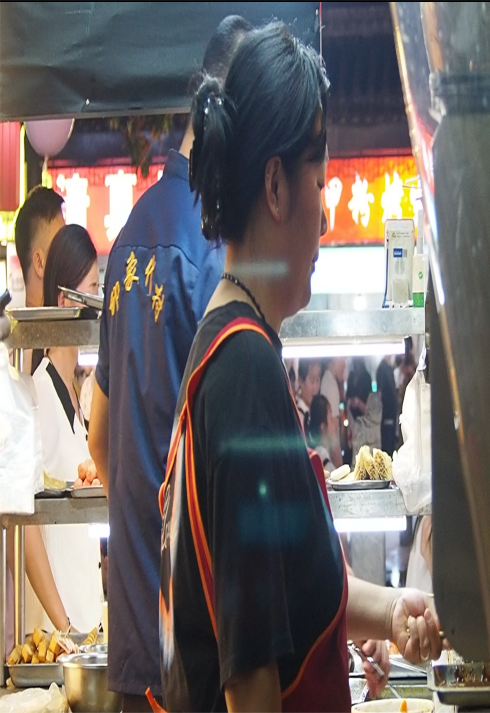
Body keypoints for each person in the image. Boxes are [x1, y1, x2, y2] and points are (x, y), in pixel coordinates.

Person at [157, 22, 442, 713]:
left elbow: (277, 586)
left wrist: (387, 610)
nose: (324, 219)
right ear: (277, 186)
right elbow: (249, 677)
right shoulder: (244, 371)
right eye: (320, 180)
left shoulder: (232, 343)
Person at [88, 16, 252, 711]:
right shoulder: (215, 251)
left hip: (134, 636)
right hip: (193, 649)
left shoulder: (130, 235)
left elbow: (100, 436)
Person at [25, 225, 103, 635]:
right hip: (59, 635)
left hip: (85, 622)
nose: (100, 304)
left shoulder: (75, 393)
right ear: (65, 300)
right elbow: (26, 531)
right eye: (93, 289)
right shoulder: (38, 392)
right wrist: (66, 628)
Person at [13, 186, 66, 374]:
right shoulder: (10, 358)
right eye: (61, 248)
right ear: (39, 262)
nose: (68, 258)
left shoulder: (65, 344)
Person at [307, 393, 342, 471]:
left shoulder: (322, 451)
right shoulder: (322, 456)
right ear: (323, 427)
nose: (334, 421)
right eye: (331, 418)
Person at [376, 354, 398, 456]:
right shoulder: (382, 369)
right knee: (387, 447)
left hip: (391, 415)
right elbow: (380, 393)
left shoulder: (388, 368)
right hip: (386, 415)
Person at [295, 358, 322, 430]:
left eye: (318, 380)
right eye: (312, 381)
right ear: (301, 381)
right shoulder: (296, 414)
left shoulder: (317, 411)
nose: (316, 387)